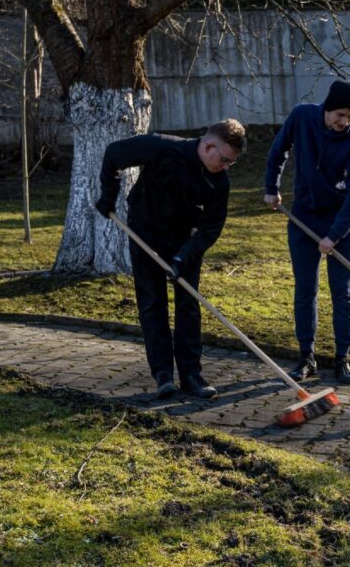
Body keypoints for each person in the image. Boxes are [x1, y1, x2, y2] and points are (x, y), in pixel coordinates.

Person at [96, 119, 246, 399]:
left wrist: (183, 256)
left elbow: (211, 229)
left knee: (188, 304)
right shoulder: (161, 147)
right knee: (152, 303)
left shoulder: (218, 182)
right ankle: (163, 375)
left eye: (231, 163)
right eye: (224, 159)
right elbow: (113, 154)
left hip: (185, 240)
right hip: (145, 231)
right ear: (208, 145)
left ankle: (191, 375)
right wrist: (109, 196)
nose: (226, 166)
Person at [263, 79, 350, 385]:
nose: (343, 122)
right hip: (303, 219)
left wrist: (333, 236)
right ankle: (307, 357)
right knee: (305, 289)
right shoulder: (302, 116)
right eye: (339, 115)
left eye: (349, 117)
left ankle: (342, 359)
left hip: (341, 226)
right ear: (327, 108)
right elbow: (278, 150)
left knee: (342, 293)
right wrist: (272, 187)